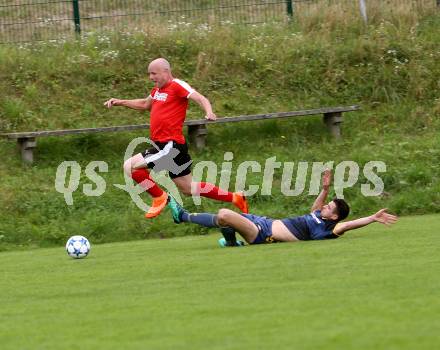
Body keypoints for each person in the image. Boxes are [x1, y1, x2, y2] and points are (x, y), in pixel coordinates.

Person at [104, 58, 248, 218]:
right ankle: (236, 197)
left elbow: (200, 98)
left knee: (130, 167)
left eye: (154, 73)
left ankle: (159, 198)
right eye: (149, 74)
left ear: (166, 71)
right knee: (188, 189)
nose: (151, 77)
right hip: (162, 146)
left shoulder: (177, 85)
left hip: (171, 147)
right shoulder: (157, 90)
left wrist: (209, 111)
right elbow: (145, 104)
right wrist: (120, 102)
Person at [167, 169, 398, 246]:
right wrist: (325, 189)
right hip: (264, 221)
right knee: (230, 217)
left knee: (225, 214)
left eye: (328, 208)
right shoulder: (318, 218)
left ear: (334, 216)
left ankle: (182, 216)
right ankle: (230, 243)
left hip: (263, 234)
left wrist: (372, 217)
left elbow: (348, 224)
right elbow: (315, 208)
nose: (323, 208)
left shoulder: (329, 230)